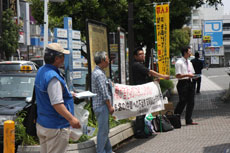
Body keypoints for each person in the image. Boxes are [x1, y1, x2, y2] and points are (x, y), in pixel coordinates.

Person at [35, 43, 81, 153]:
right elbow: (57, 103)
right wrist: (72, 119)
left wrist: (67, 94)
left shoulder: (41, 71)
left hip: (43, 123)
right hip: (56, 126)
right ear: (57, 58)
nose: (64, 59)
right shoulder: (53, 77)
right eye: (63, 56)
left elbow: (47, 94)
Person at [132, 47, 170, 138]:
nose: (142, 56)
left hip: (143, 91)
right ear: (135, 56)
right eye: (140, 54)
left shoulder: (140, 64)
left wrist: (154, 81)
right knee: (141, 112)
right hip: (140, 92)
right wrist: (163, 76)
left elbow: (147, 75)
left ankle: (143, 130)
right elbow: (150, 72)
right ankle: (139, 131)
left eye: (143, 54)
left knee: (144, 111)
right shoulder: (137, 65)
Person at [91, 51, 115, 153]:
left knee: (105, 130)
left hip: (100, 106)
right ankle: (100, 151)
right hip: (102, 106)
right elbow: (104, 93)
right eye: (107, 59)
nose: (109, 61)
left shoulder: (99, 72)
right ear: (102, 60)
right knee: (103, 131)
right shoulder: (99, 74)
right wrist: (110, 107)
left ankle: (108, 151)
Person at [174, 46, 198, 125]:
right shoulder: (179, 62)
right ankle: (175, 119)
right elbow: (177, 75)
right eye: (189, 51)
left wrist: (194, 76)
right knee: (182, 102)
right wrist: (187, 75)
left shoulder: (189, 62)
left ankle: (188, 120)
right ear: (185, 52)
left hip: (190, 82)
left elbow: (192, 73)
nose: (190, 53)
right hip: (182, 84)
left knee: (191, 102)